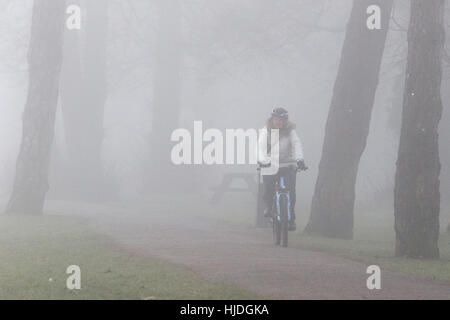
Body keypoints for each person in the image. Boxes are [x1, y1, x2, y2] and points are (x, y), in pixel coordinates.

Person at [258, 107, 306, 231]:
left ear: (285, 121)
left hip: (288, 164)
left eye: (281, 119)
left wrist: (299, 160)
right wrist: (262, 161)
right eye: (276, 119)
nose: (278, 122)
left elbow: (297, 144)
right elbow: (260, 146)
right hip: (270, 164)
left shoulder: (291, 132)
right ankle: (269, 207)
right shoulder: (265, 131)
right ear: (272, 119)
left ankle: (291, 219)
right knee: (268, 187)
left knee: (291, 191)